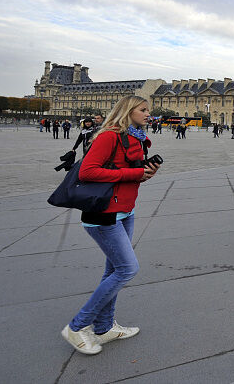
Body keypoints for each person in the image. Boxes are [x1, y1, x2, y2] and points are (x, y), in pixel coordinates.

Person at [60, 96, 159, 355]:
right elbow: (87, 172)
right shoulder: (108, 137)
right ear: (128, 111)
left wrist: (145, 174)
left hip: (124, 211)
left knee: (113, 270)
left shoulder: (134, 138)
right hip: (103, 214)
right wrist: (134, 173)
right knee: (127, 269)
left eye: (149, 109)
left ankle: (104, 328)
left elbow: (124, 175)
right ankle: (77, 326)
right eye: (143, 109)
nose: (149, 113)